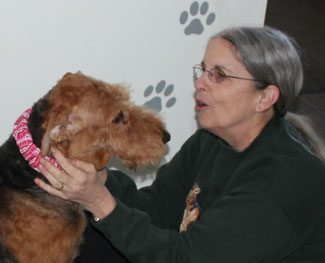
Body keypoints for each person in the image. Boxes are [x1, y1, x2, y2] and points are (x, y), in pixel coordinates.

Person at [35, 26, 325, 262]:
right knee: (83, 238)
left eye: (220, 75)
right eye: (203, 70)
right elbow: (158, 210)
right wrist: (100, 180)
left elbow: (183, 258)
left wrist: (99, 202)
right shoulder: (212, 139)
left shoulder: (278, 186)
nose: (200, 83)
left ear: (265, 98)